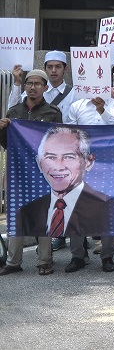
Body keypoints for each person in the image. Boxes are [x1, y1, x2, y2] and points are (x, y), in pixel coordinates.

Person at [0, 69, 63, 276]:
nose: (33, 87)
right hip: (17, 170)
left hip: (43, 172)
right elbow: (6, 144)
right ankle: (13, 261)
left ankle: (44, 260)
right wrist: (2, 129)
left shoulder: (52, 113)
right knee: (16, 214)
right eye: (29, 83)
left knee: (44, 212)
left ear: (45, 87)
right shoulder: (14, 112)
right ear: (25, 86)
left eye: (38, 84)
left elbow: (59, 142)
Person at [60, 94, 114, 273]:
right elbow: (68, 133)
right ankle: (77, 256)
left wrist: (102, 110)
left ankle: (107, 256)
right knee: (76, 209)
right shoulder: (77, 105)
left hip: (108, 166)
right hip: (79, 165)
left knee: (105, 210)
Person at [6, 51, 76, 110]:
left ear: (65, 69)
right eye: (50, 67)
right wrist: (17, 83)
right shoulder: (35, 90)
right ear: (44, 68)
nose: (53, 70)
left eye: (58, 66)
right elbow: (13, 109)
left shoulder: (73, 94)